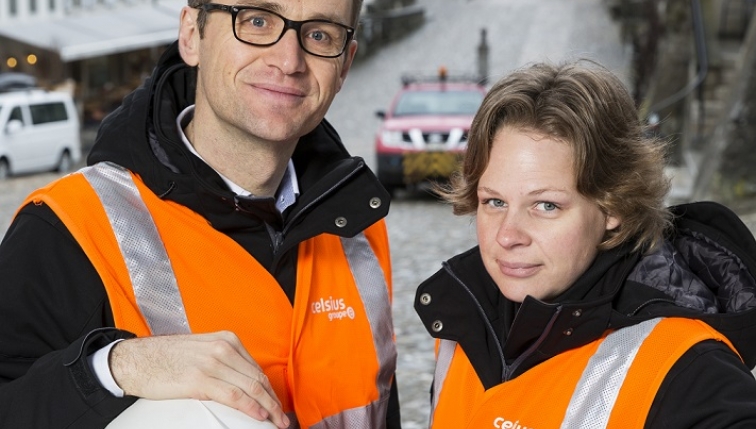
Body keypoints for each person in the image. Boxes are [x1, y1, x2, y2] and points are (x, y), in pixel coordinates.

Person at [0, 0, 401, 427]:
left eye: (320, 34)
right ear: (192, 34)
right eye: (258, 20)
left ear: (344, 65)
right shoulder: (71, 227)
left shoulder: (358, 228)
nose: (289, 60)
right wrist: (113, 369)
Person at [414, 60, 756, 428]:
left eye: (546, 205)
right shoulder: (459, 322)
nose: (507, 236)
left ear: (614, 206)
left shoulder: (687, 370)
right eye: (494, 202)